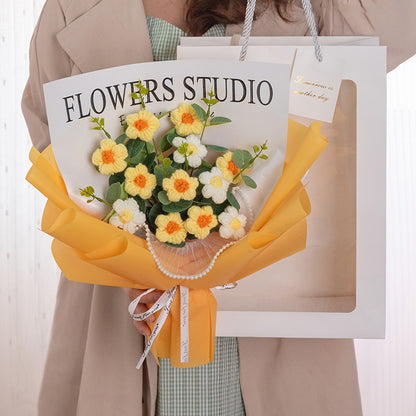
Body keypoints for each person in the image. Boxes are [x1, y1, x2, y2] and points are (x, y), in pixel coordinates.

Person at [21, 1, 416, 415]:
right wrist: (126, 267)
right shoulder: (74, 7)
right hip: (127, 322)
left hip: (281, 316)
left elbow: (398, 27)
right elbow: (59, 150)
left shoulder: (310, 6)